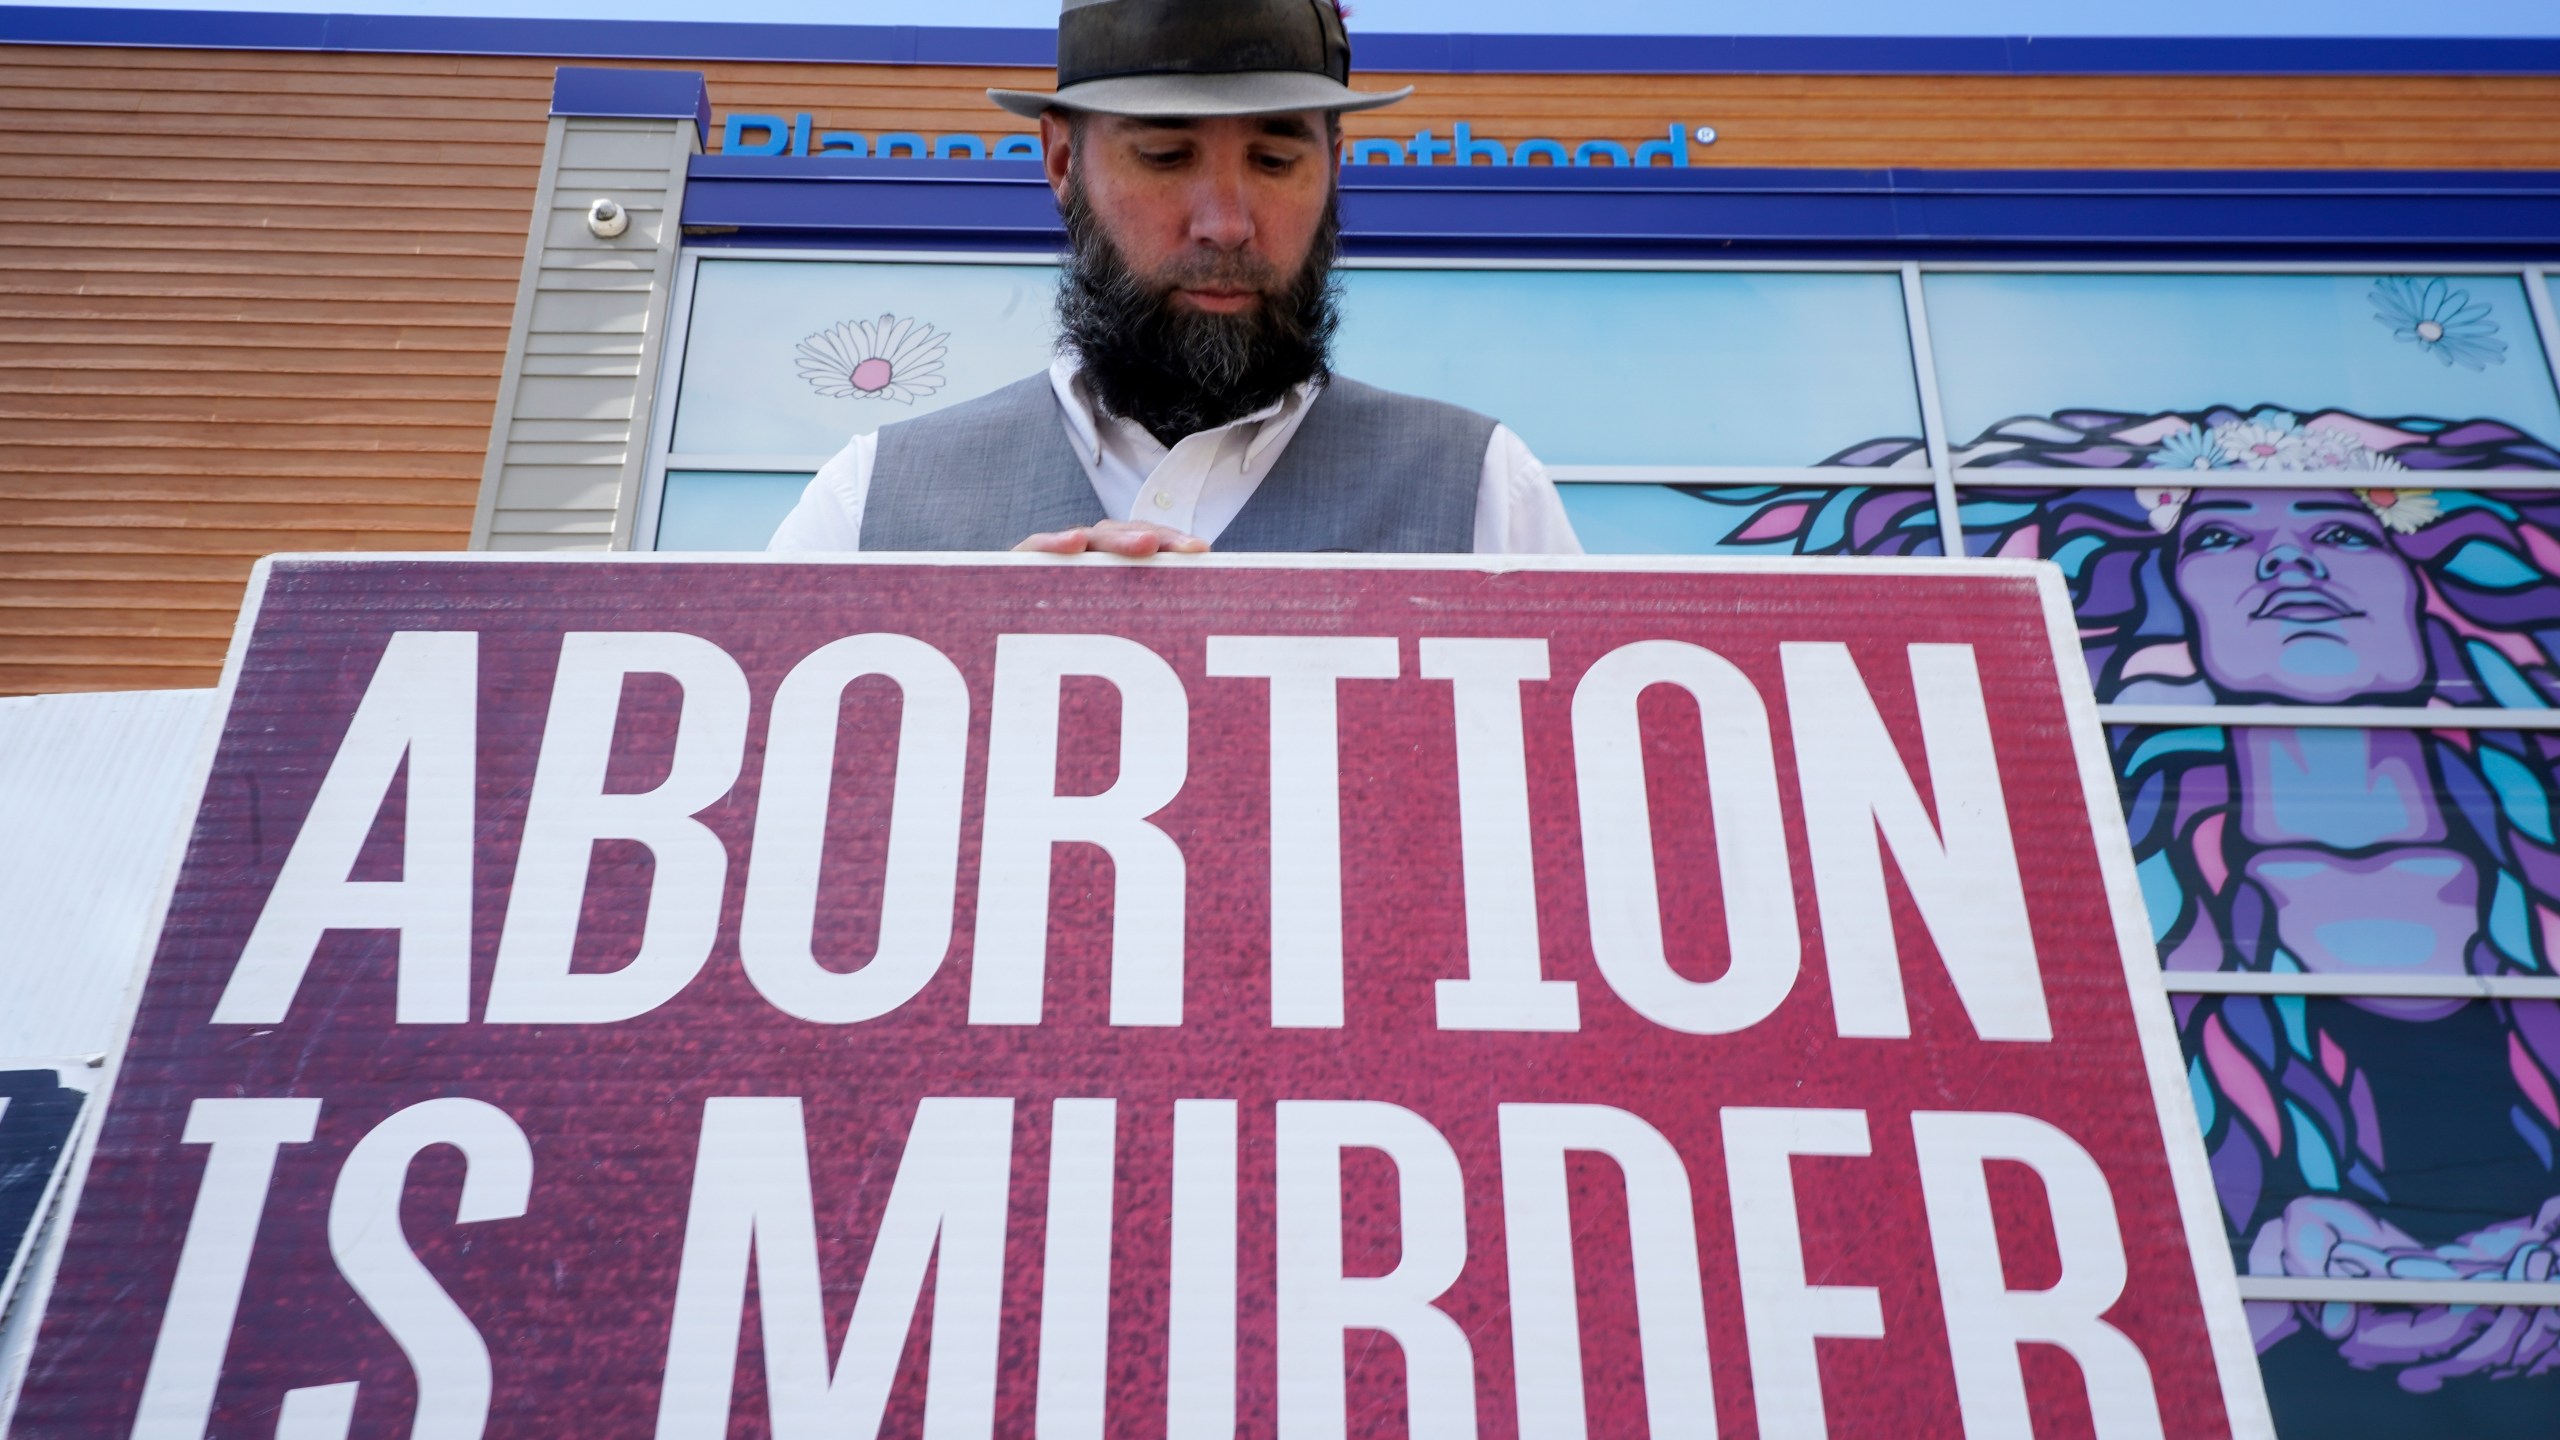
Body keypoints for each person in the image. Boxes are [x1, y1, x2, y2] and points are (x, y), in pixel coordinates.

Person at [766, 0, 1579, 558]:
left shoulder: (1486, 494)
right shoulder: (867, 503)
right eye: (1165, 157)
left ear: (1334, 167)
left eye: (1274, 159)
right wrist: (970, 652)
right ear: (1060, 161)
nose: (1225, 223)